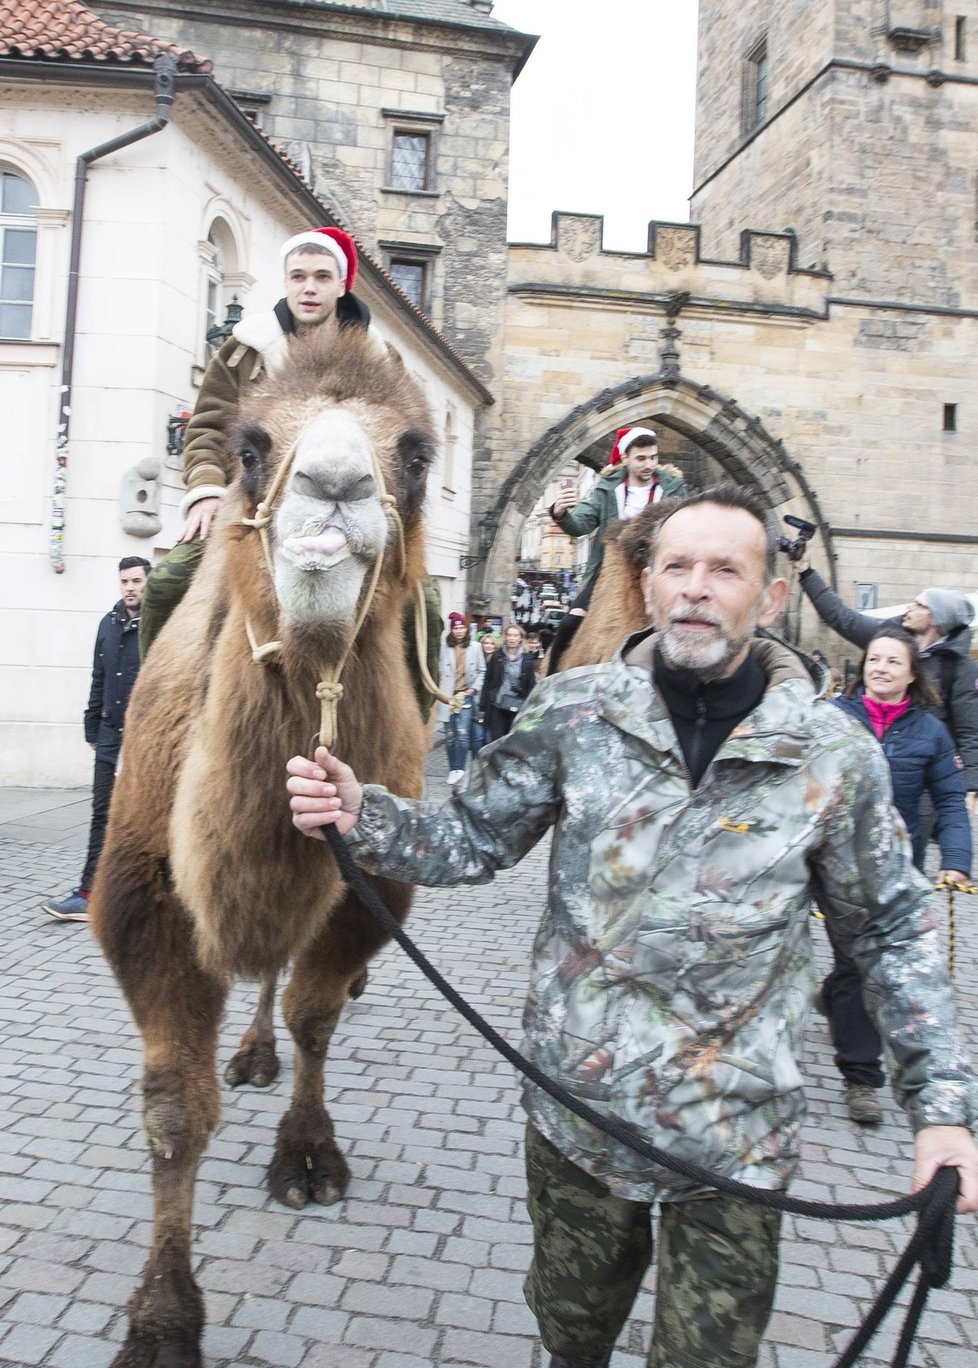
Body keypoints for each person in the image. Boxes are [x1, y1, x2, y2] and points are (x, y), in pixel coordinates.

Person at [288, 484, 978, 1368]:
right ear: (648, 587)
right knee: (571, 1336)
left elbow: (888, 930)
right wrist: (364, 814)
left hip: (735, 1138)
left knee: (707, 1357)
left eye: (725, 569)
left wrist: (943, 1109)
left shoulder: (832, 756)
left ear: (769, 598)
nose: (696, 587)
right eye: (677, 567)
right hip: (584, 1117)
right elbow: (469, 838)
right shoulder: (575, 714)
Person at [138, 226, 383, 656]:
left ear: (342, 284)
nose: (309, 288)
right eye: (298, 276)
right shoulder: (247, 347)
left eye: (322, 277)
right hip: (251, 504)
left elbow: (394, 437)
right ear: (286, 281)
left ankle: (417, 715)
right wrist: (205, 492)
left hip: (353, 503)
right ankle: (154, 711)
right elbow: (207, 427)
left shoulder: (377, 355)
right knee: (166, 582)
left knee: (426, 604)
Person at [818, 627, 972, 1125]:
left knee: (863, 967)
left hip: (892, 868)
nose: (880, 667)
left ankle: (859, 1070)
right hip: (831, 866)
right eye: (874, 659)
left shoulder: (930, 732)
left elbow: (949, 800)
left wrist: (956, 858)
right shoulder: (833, 719)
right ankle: (859, 1071)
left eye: (892, 661)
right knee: (851, 967)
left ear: (911, 673)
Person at [794, 555, 978, 814]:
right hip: (867, 761)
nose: (909, 607)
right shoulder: (888, 637)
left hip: (919, 777)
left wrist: (970, 787)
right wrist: (806, 572)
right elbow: (841, 617)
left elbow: (970, 731)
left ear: (936, 618)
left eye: (918, 604)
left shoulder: (960, 667)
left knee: (911, 839)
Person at [42, 557, 151, 923]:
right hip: (108, 738)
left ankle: (147, 897)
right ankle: (88, 893)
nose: (130, 587)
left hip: (144, 742)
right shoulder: (108, 624)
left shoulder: (158, 626)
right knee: (102, 814)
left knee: (146, 817)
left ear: (148, 582)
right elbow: (99, 678)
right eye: (125, 581)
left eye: (136, 580)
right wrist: (91, 727)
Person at [547, 427, 688, 673]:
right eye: (641, 458)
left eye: (653, 457)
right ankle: (551, 681)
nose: (649, 464)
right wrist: (561, 513)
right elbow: (581, 523)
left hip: (658, 569)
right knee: (570, 624)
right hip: (609, 571)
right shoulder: (607, 488)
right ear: (625, 458)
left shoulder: (673, 487)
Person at [437, 612, 484, 786]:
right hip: (447, 696)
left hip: (465, 694)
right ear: (451, 630)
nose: (459, 631)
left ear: (466, 629)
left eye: (462, 627)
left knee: (462, 733)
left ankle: (460, 768)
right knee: (450, 735)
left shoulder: (475, 647)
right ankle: (453, 769)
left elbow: (481, 670)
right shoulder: (444, 647)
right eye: (456, 628)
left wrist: (473, 689)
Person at [480, 623, 537, 743]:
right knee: (496, 739)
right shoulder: (497, 656)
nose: (512, 638)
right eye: (509, 635)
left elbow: (531, 684)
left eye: (515, 635)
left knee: (512, 740)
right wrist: (483, 705)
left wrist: (531, 707)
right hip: (497, 704)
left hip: (517, 705)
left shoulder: (527, 659)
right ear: (505, 637)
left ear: (520, 638)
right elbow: (488, 681)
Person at [471, 632, 498, 752]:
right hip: (477, 702)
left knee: (489, 738)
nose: (488, 646)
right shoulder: (476, 659)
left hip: (491, 705)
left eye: (491, 643)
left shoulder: (498, 660)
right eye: (486, 643)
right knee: (477, 737)